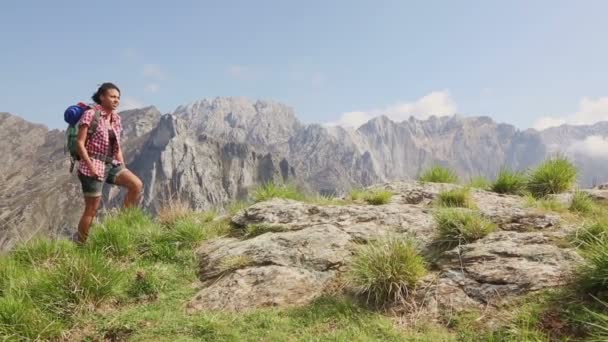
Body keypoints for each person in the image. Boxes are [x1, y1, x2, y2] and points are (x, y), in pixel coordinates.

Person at [74, 82, 143, 243]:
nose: (116, 100)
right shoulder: (91, 114)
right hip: (92, 163)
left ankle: (121, 226)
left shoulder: (116, 119)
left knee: (136, 185)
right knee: (91, 209)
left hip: (111, 163)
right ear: (102, 97)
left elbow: (116, 146)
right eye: (112, 96)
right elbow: (79, 143)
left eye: (118, 97)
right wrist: (91, 167)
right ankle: (81, 246)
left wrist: (122, 166)